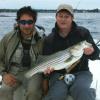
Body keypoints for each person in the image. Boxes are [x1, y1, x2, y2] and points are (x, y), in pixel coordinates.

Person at [42, 4, 100, 100]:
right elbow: (46, 61)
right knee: (55, 95)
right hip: (58, 74)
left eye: (67, 16)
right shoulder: (49, 39)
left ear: (72, 18)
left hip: (82, 72)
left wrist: (92, 52)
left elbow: (96, 55)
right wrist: (46, 73)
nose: (63, 19)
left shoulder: (83, 33)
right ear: (56, 17)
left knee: (83, 91)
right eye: (60, 16)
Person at [0, 6, 44, 100]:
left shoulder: (42, 39)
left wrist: (46, 79)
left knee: (33, 93)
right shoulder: (8, 38)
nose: (26, 25)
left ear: (34, 22)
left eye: (30, 22)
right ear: (18, 22)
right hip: (13, 71)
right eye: (23, 22)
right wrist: (4, 74)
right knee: (4, 90)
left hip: (34, 72)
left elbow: (47, 60)